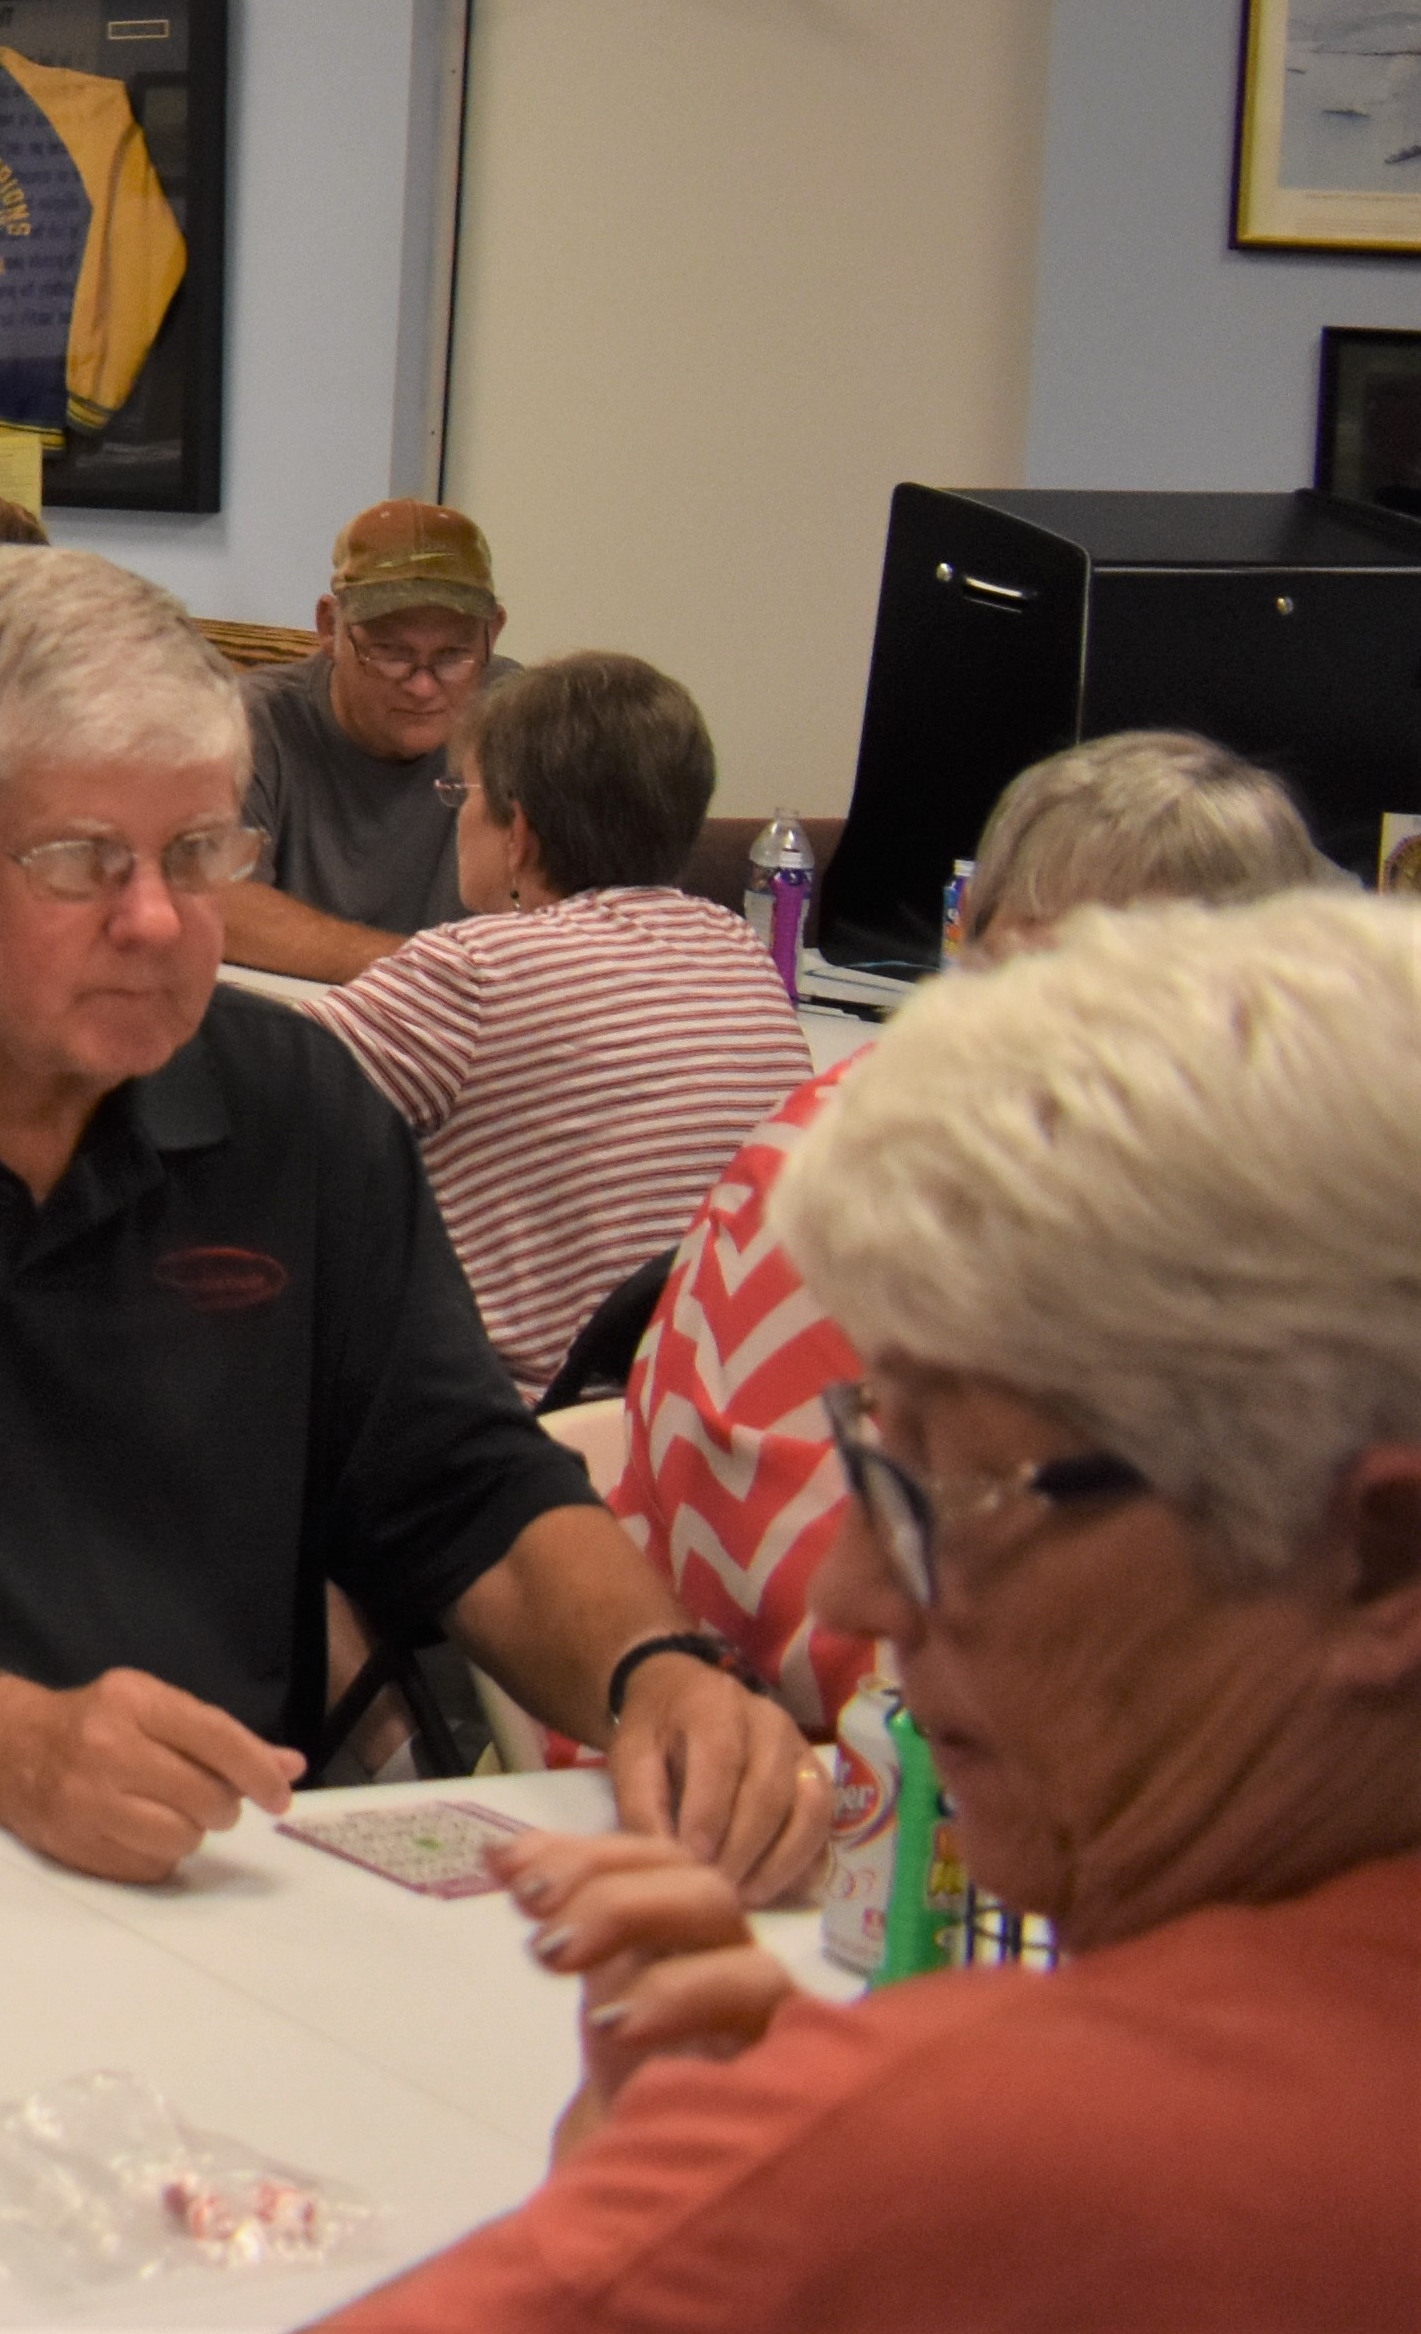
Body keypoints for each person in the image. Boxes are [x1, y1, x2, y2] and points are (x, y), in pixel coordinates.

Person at [0, 548, 821, 1888]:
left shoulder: (294, 1102)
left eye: (200, 855)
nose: (153, 920)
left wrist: (656, 1673)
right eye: (82, 862)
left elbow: (465, 1486)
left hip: (200, 1872)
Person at [332, 892, 1421, 2333]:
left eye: (950, 1492)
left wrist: (716, 2206)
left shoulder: (1005, 2159)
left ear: (1380, 1560)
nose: (854, 1586)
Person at [611, 728, 1341, 1728]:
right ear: (975, 949)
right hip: (784, 1772)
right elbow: (822, 1627)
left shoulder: (1216, 1199)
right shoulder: (841, 1185)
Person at [278, 652, 818, 1394]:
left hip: (506, 1425)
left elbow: (242, 1099)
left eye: (462, 793)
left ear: (519, 832)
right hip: (683, 1409)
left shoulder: (476, 972)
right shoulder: (740, 952)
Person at [219, 498, 508, 980]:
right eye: (391, 653)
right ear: (329, 627)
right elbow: (219, 906)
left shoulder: (520, 721)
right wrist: (440, 974)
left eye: (452, 656)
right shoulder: (249, 722)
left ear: (493, 634)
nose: (423, 686)